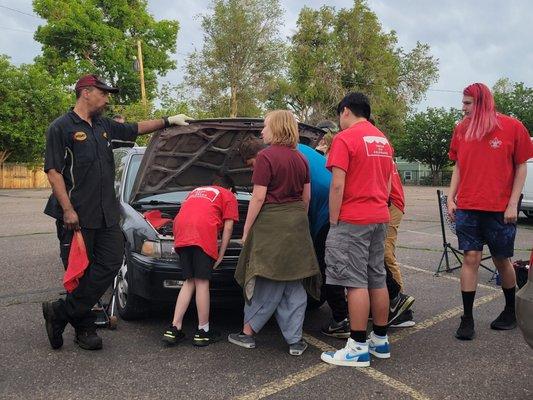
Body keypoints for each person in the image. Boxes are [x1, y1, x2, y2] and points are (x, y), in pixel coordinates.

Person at [42, 74, 192, 351]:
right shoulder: (61, 128)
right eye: (103, 93)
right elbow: (53, 172)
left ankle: (60, 312)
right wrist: (67, 210)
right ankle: (84, 329)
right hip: (76, 215)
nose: (107, 98)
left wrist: (168, 120)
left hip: (107, 214)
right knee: (79, 272)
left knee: (111, 264)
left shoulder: (103, 126)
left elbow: (136, 128)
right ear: (86, 92)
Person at [228, 110, 321, 356]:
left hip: (271, 223)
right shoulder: (301, 158)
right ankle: (295, 340)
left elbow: (258, 197)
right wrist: (298, 221)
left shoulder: (266, 157)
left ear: (277, 128)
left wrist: (247, 230)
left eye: (265, 126)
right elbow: (307, 197)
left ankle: (247, 333)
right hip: (297, 224)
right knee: (293, 282)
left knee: (265, 278)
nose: (261, 131)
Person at [447, 82, 533, 341]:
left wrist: (511, 203)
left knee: (501, 260)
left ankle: (510, 310)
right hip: (468, 207)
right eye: (462, 103)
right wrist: (451, 197)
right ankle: (467, 318)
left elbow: (521, 167)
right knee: (470, 258)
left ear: (482, 103)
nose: (462, 109)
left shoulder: (512, 127)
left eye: (467, 103)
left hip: (499, 209)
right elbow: (459, 166)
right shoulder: (461, 129)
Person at [320, 92, 394, 368]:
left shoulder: (345, 138)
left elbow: (337, 184)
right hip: (379, 216)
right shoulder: (383, 140)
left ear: (346, 111)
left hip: (353, 219)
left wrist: (334, 219)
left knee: (354, 281)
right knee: (377, 276)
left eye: (340, 115)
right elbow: (387, 184)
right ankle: (380, 340)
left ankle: (357, 346)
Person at [163, 174, 239, 347]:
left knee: (189, 281)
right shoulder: (228, 195)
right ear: (230, 189)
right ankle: (203, 331)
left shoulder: (196, 191)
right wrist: (221, 253)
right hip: (201, 234)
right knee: (202, 282)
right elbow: (228, 226)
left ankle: (174, 328)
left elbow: (186, 211)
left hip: (181, 232)